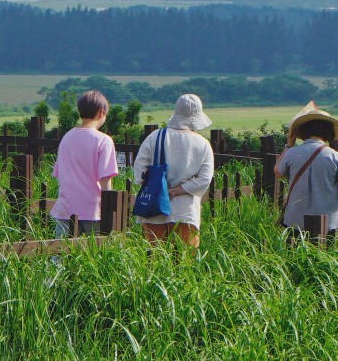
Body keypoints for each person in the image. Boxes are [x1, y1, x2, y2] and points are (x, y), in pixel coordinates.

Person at [134, 93, 216, 246]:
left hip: (154, 208)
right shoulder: (203, 144)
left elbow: (139, 172)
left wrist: (160, 188)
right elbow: (204, 180)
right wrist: (177, 191)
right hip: (185, 209)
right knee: (186, 262)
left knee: (156, 259)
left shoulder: (154, 137)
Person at [275, 102, 338, 236]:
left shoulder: (291, 153)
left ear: (303, 131)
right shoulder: (335, 156)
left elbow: (278, 172)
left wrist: (288, 145)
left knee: (295, 252)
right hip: (327, 222)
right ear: (329, 133)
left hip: (296, 219)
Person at [51, 89, 119, 237]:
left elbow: (58, 173)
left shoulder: (67, 137)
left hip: (65, 208)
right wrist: (109, 209)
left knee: (59, 255)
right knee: (96, 255)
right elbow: (105, 181)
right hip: (93, 209)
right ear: (101, 112)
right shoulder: (104, 140)